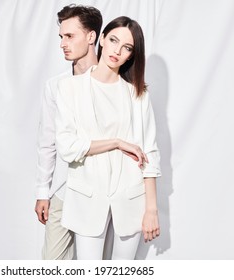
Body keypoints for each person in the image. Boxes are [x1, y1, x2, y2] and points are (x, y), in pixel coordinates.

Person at [55, 16, 161, 260]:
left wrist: (152, 209)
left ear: (131, 56)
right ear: (101, 38)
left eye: (127, 48)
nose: (117, 50)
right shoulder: (69, 88)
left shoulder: (138, 93)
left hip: (131, 198)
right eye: (113, 40)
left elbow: (149, 152)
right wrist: (116, 142)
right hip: (87, 196)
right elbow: (68, 148)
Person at [34, 4, 102, 260]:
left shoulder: (115, 83)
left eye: (69, 36)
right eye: (61, 37)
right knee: (52, 263)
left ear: (92, 36)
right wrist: (43, 192)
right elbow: (47, 142)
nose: (62, 43)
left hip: (100, 190)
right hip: (64, 189)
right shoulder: (55, 86)